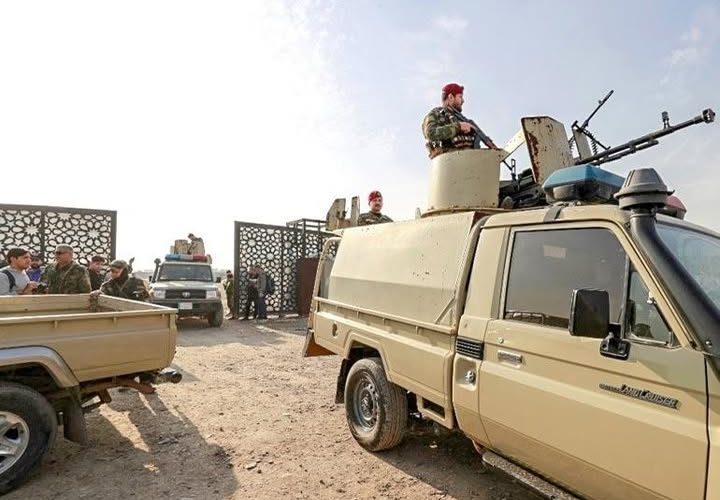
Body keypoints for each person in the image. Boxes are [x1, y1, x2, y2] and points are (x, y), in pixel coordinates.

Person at [422, 82, 498, 159]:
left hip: (470, 161)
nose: (463, 101)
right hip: (449, 162)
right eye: (460, 97)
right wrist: (458, 127)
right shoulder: (436, 114)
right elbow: (430, 133)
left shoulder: (464, 120)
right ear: (451, 97)